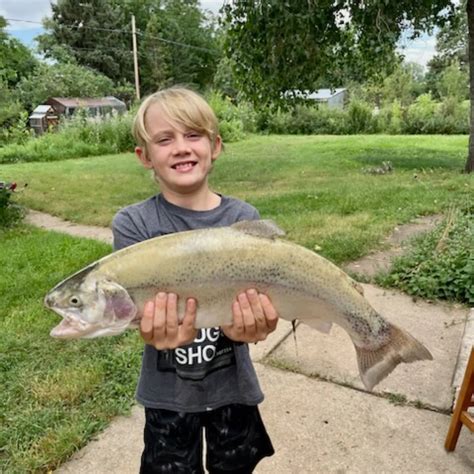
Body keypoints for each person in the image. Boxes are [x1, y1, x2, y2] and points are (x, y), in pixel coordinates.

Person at [112, 86, 278, 474]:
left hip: (233, 390)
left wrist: (253, 328)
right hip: (166, 395)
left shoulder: (244, 218)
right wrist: (149, 331)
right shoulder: (134, 225)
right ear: (144, 156)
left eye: (193, 135)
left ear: (214, 146)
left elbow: (262, 303)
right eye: (164, 139)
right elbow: (133, 311)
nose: (181, 147)